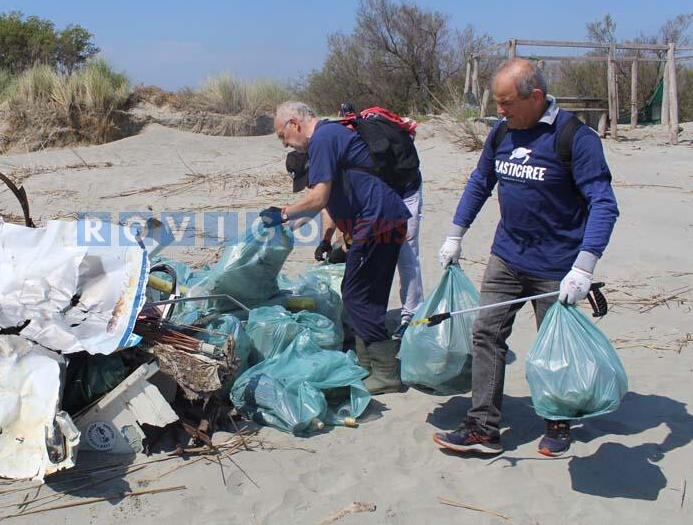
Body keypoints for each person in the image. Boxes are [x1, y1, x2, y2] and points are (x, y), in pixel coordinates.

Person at [432, 59, 619, 457]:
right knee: (486, 333)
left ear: (535, 97)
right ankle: (483, 426)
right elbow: (481, 181)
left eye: (506, 103)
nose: (500, 111)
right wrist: (455, 234)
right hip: (507, 256)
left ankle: (558, 420)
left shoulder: (575, 138)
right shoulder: (501, 133)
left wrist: (584, 267)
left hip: (557, 265)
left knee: (554, 347)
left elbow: (603, 204)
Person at [262, 101, 412, 394]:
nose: (285, 144)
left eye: (283, 135)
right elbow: (328, 202)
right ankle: (368, 366)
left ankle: (385, 372)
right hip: (385, 220)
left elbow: (318, 197)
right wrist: (288, 230)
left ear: (294, 123)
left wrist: (281, 213)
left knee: (355, 294)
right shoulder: (331, 135)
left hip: (377, 221)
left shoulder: (323, 139)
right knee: (369, 293)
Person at [314, 103, 425, 333]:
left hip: (405, 188)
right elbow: (335, 205)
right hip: (381, 193)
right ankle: (376, 316)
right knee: (375, 248)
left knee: (405, 250)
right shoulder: (340, 145)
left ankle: (411, 317)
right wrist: (327, 240)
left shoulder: (339, 147)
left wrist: (329, 239)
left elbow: (328, 203)